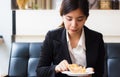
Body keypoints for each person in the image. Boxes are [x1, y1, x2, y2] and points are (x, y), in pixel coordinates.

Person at [36, 0, 105, 77]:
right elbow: (40, 71)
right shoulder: (52, 37)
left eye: (79, 19)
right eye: (69, 19)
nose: (74, 25)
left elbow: (100, 72)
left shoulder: (97, 38)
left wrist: (92, 75)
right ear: (62, 16)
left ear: (86, 18)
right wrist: (56, 68)